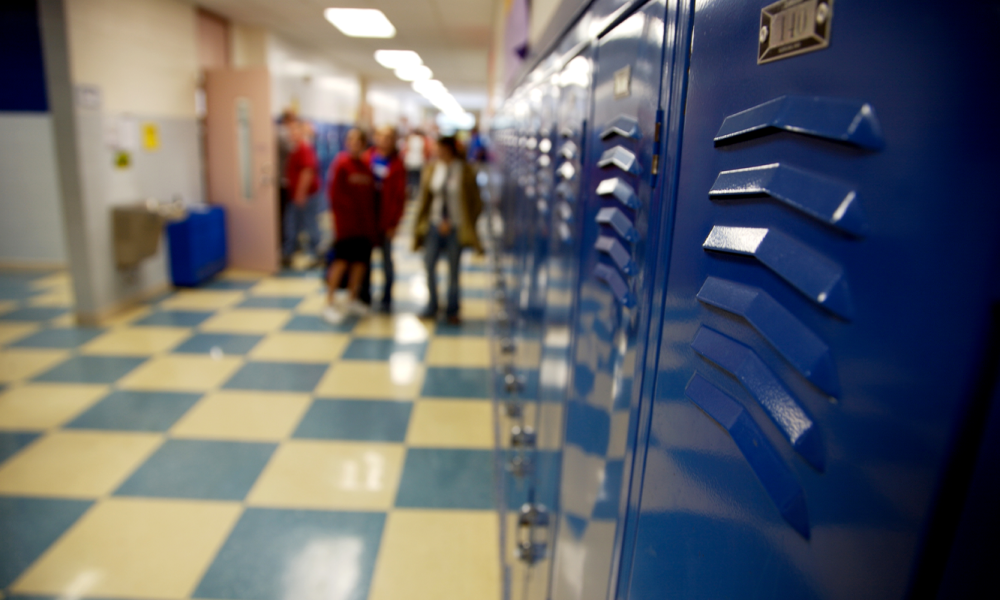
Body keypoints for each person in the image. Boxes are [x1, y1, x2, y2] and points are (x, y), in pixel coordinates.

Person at [413, 135, 483, 325]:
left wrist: (463, 222)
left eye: (441, 149)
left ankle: (452, 309)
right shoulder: (432, 169)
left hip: (456, 227)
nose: (438, 152)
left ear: (451, 150)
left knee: (454, 269)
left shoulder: (465, 171)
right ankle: (432, 305)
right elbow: (425, 199)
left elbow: (476, 202)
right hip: (434, 225)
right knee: (429, 265)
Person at [324, 128, 377, 324]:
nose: (354, 143)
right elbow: (335, 197)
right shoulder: (341, 165)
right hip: (346, 227)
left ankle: (352, 299)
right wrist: (340, 225)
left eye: (358, 140)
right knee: (341, 262)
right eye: (351, 140)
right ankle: (329, 302)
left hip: (364, 227)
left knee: (359, 263)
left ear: (364, 144)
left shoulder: (365, 166)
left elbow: (370, 198)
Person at [362, 125, 407, 312]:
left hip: (386, 221)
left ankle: (387, 297)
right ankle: (364, 295)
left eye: (389, 137)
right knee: (364, 260)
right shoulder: (367, 159)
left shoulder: (397, 164)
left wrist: (394, 223)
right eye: (381, 136)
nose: (384, 141)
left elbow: (400, 197)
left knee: (386, 261)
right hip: (367, 220)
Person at [282, 118, 322, 267]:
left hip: (307, 195)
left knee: (309, 223)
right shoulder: (295, 149)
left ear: (301, 132)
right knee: (292, 223)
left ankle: (315, 253)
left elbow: (307, 171)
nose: (290, 134)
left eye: (294, 130)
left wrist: (300, 193)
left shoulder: (304, 149)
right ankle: (289, 252)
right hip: (296, 195)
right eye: (289, 131)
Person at [403, 128, 430, 197]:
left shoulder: (410, 139)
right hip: (419, 161)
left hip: (410, 161)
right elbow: (426, 151)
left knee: (410, 178)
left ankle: (411, 193)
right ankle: (415, 193)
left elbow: (405, 150)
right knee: (417, 178)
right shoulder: (422, 139)